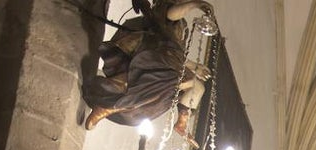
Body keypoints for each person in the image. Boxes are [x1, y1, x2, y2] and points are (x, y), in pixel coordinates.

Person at [82, 1, 216, 141]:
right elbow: (170, 15)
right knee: (168, 82)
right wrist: (196, 4)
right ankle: (109, 107)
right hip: (153, 55)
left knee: (197, 87)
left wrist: (194, 66)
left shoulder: (183, 26)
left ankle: (181, 123)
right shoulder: (164, 6)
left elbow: (175, 52)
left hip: (169, 61)